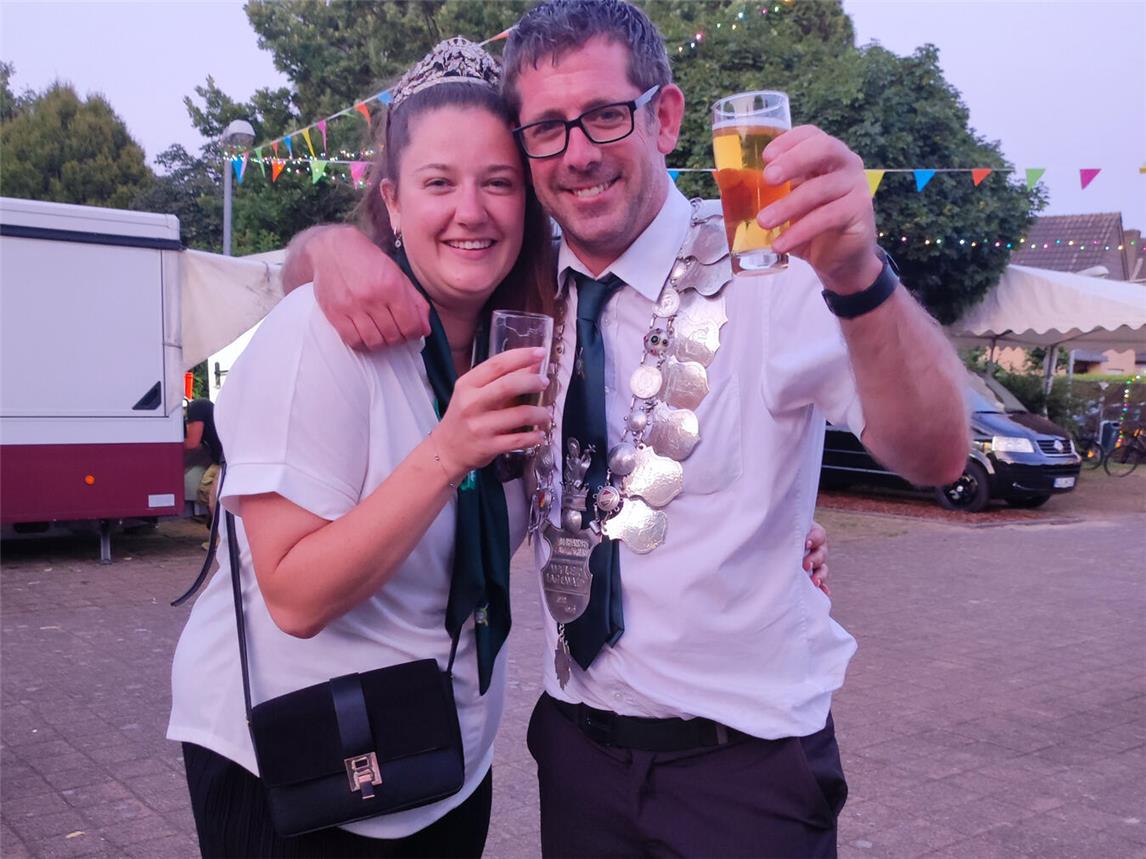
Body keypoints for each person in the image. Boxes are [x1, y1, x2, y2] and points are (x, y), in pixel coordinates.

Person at [284, 2, 969, 854]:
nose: (577, 152)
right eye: (546, 129)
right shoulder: (522, 294)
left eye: (606, 115)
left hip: (743, 772)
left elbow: (940, 452)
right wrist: (323, 245)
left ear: (666, 117)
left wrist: (861, 274)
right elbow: (400, 253)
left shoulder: (773, 270)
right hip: (576, 755)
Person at [167, 38, 558, 857]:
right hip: (300, 768)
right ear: (393, 200)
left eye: (498, 183)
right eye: (439, 183)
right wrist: (447, 453)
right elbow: (296, 597)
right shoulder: (320, 333)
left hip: (446, 761)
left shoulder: (519, 344)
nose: (471, 210)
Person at [183, 397, 223, 521]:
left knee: (211, 497)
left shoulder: (196, 407)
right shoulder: (204, 406)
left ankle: (221, 535)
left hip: (226, 461)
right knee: (210, 496)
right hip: (224, 459)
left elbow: (191, 443)